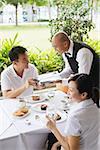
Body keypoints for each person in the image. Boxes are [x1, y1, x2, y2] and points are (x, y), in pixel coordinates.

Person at [46, 73, 99, 150]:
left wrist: (53, 128)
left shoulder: (75, 117)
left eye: (71, 90)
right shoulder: (96, 108)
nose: (67, 93)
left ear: (83, 95)